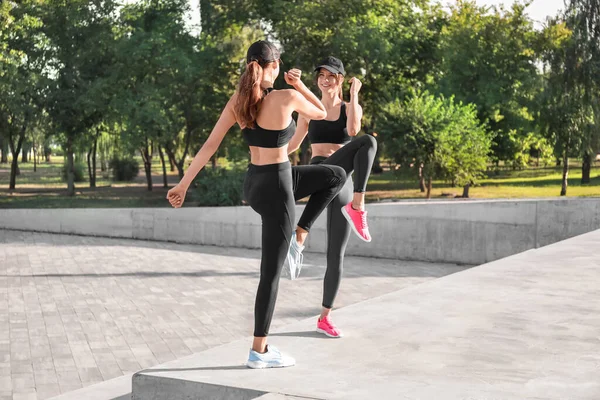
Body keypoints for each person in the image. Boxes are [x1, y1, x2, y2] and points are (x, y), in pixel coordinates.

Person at [166, 41, 347, 368]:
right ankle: (259, 351)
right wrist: (299, 84)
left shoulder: (238, 102)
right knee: (270, 275)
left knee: (334, 175)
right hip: (278, 186)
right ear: (274, 66)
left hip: (257, 183)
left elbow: (210, 145)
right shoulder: (286, 96)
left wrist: (183, 184)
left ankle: (300, 233)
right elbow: (320, 112)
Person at [287, 56, 377, 338]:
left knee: (335, 254)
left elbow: (352, 132)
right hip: (318, 170)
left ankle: (325, 316)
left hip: (342, 181)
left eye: (331, 75)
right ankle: (356, 208)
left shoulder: (352, 107)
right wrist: (266, 156)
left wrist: (354, 96)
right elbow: (293, 145)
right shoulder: (309, 109)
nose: (325, 80)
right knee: (362, 147)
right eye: (321, 75)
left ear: (340, 78)